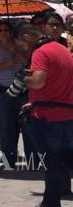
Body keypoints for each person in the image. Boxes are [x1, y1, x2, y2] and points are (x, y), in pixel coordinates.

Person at [17, 21, 73, 207]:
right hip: (66, 113)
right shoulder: (61, 49)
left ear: (26, 37)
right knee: (61, 160)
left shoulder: (40, 52)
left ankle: (50, 203)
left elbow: (38, 81)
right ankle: (50, 201)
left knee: (52, 162)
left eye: (21, 44)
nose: (23, 49)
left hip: (48, 117)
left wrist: (24, 79)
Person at [0, 19, 34, 169]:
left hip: (21, 91)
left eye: (6, 29)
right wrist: (5, 64)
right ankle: (9, 159)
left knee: (27, 126)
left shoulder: (20, 46)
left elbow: (30, 63)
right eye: (0, 30)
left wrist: (17, 52)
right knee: (6, 126)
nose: (3, 32)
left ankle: (33, 160)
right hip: (2, 91)